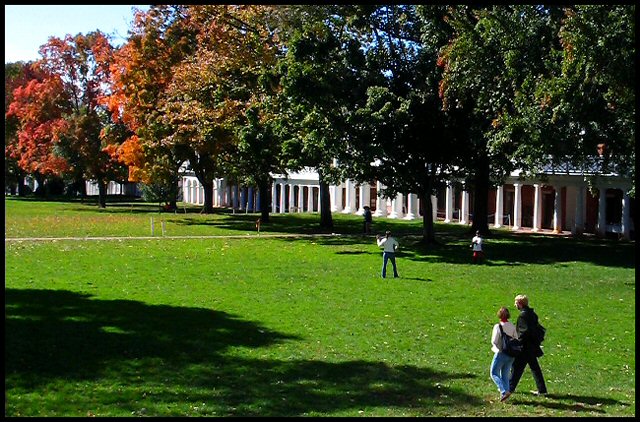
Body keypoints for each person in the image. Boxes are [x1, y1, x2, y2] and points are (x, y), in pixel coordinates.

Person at [509, 294, 548, 396]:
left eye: (516, 303)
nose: (515, 305)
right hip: (532, 346)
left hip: (524, 347)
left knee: (516, 368)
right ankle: (542, 390)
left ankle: (509, 389)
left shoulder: (523, 315)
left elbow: (523, 332)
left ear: (520, 304)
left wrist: (516, 342)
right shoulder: (532, 314)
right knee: (535, 368)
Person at [490, 307, 519, 402]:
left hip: (501, 353)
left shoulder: (498, 326)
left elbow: (494, 341)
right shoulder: (512, 326)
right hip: (511, 354)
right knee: (505, 375)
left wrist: (497, 349)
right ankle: (506, 392)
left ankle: (503, 391)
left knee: (494, 373)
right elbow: (516, 338)